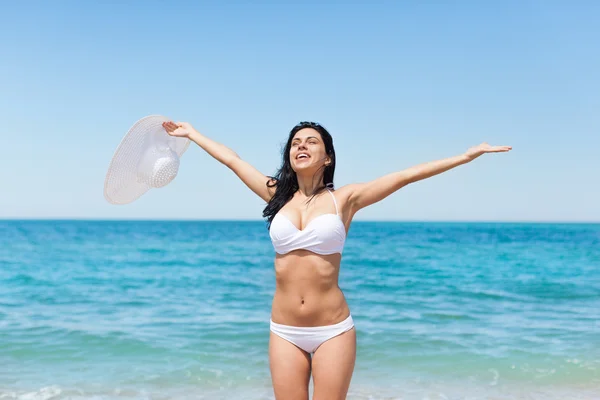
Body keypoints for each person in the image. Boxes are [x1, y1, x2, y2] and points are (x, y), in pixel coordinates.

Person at [162, 120, 512, 400]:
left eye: (311, 141)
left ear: (327, 157)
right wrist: (192, 134)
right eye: (296, 142)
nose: (301, 145)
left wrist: (466, 157)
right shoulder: (275, 195)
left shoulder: (345, 199)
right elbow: (232, 159)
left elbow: (406, 176)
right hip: (284, 330)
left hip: (332, 330)